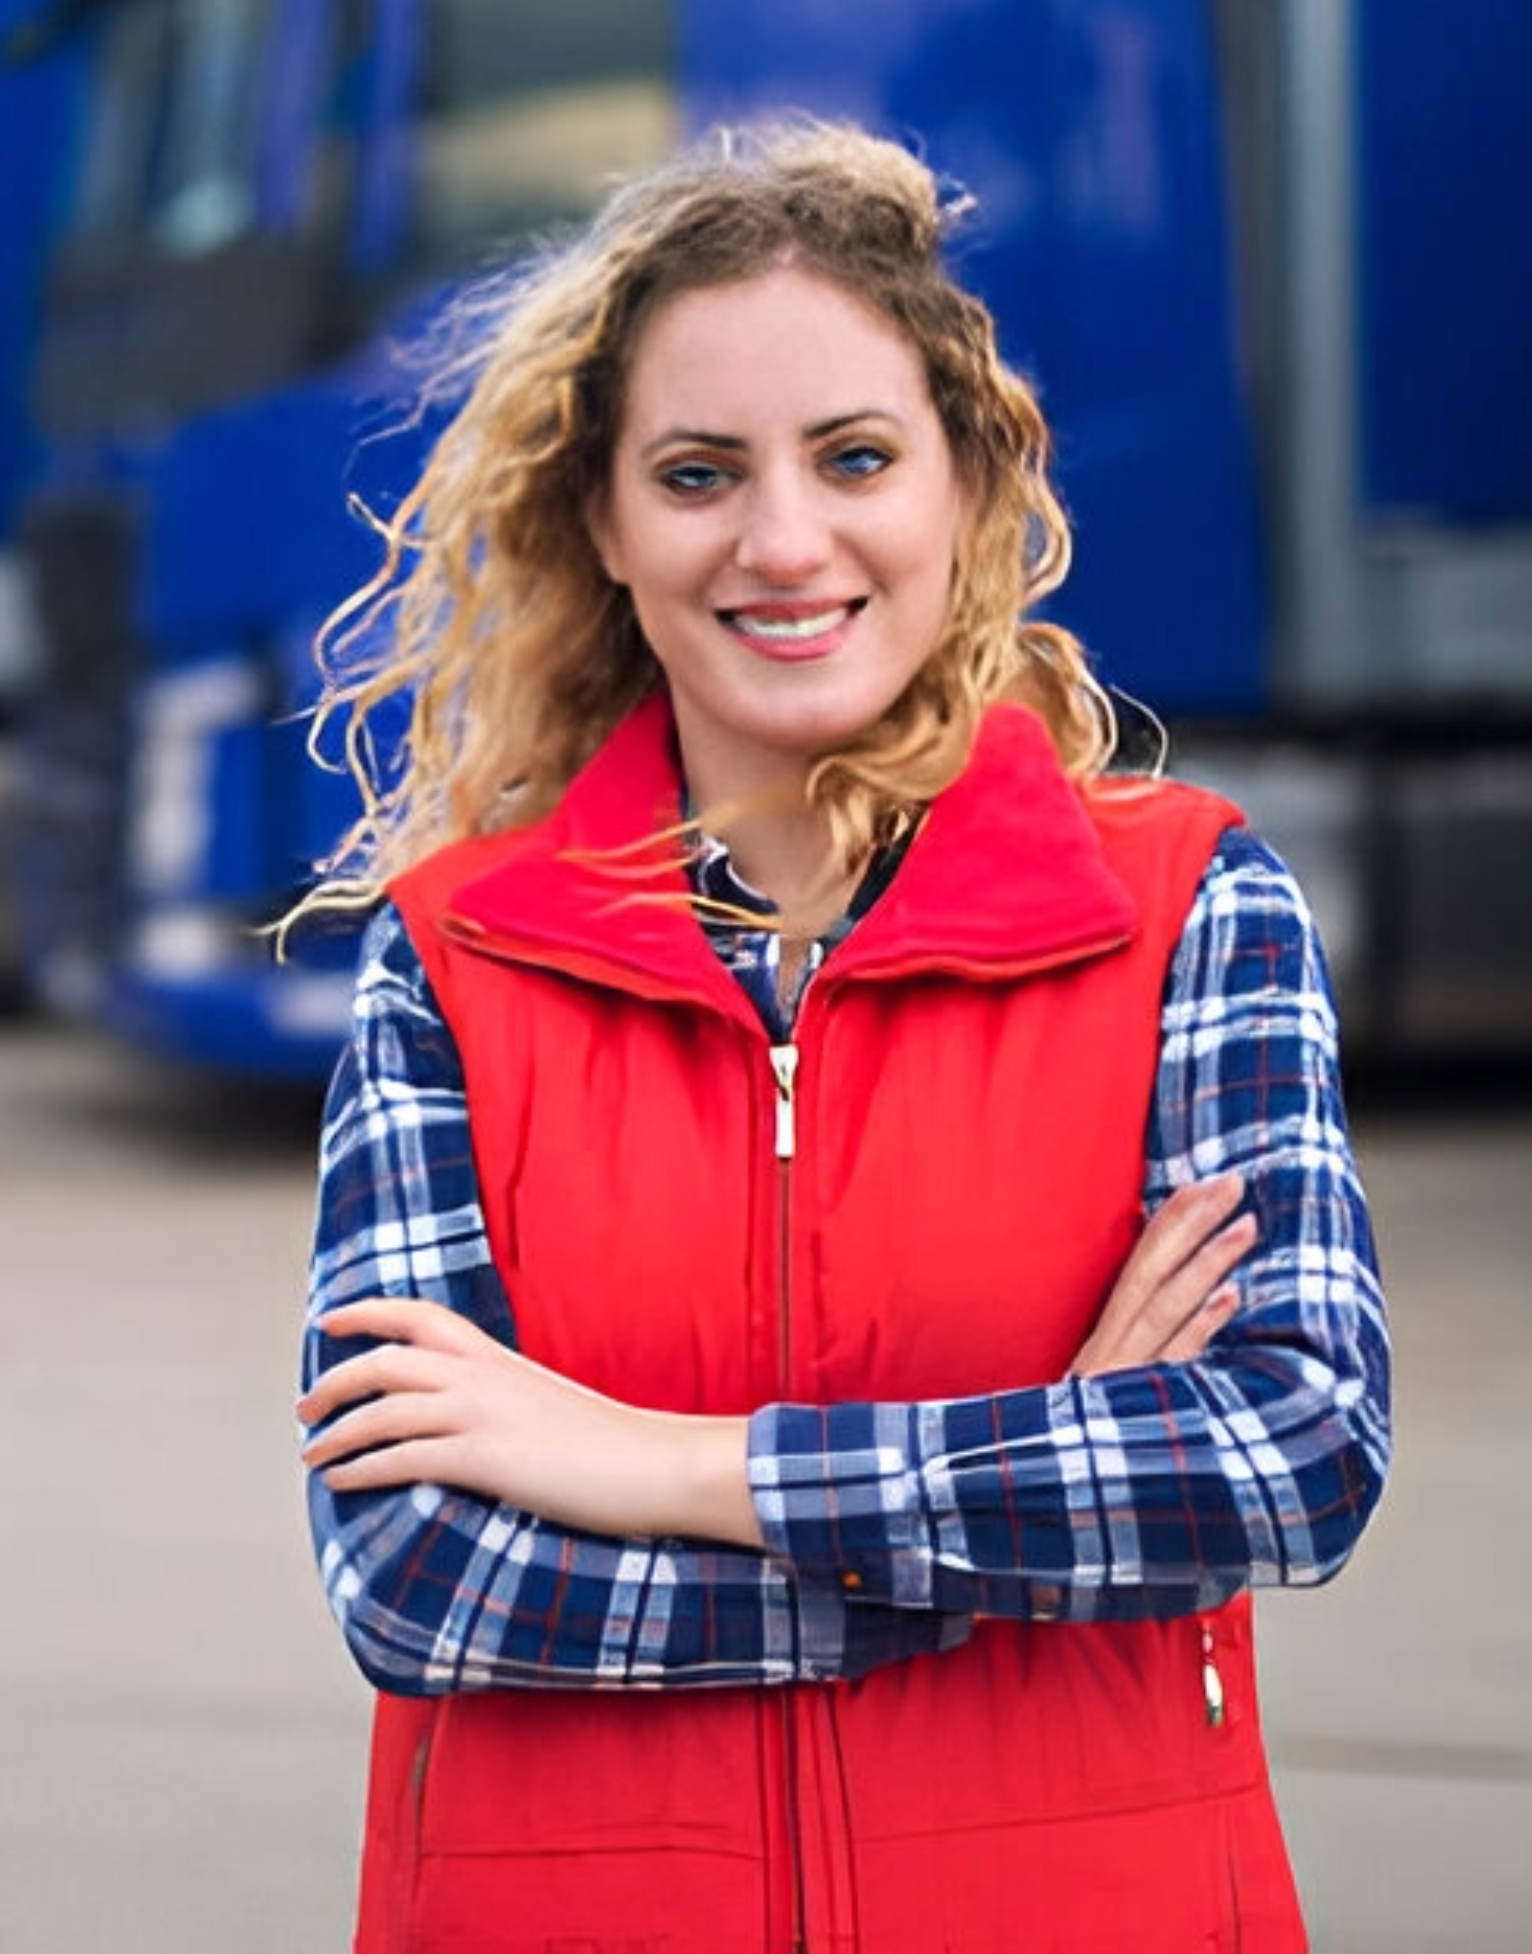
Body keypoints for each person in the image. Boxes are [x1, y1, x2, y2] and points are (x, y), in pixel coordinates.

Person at [293, 123, 1390, 1953]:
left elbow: (1290, 1451)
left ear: (961, 488)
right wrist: (1019, 1513)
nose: (783, 541)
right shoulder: (450, 961)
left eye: (856, 457)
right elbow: (421, 1582)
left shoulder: (1189, 906)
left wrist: (660, 1470)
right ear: (606, 523)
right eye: (700, 473)